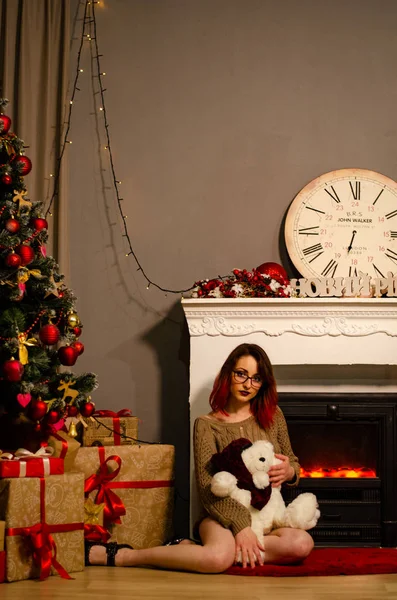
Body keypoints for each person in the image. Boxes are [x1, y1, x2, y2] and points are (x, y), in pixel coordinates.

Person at [86, 343, 314, 572]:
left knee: (302, 544)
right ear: (228, 374)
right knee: (216, 558)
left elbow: (293, 462)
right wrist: (241, 526)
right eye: (241, 374)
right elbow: (207, 489)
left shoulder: (273, 416)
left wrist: (290, 471)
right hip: (220, 517)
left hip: (265, 516)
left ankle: (198, 551)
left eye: (256, 378)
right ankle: (125, 555)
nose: (248, 384)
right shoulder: (207, 425)